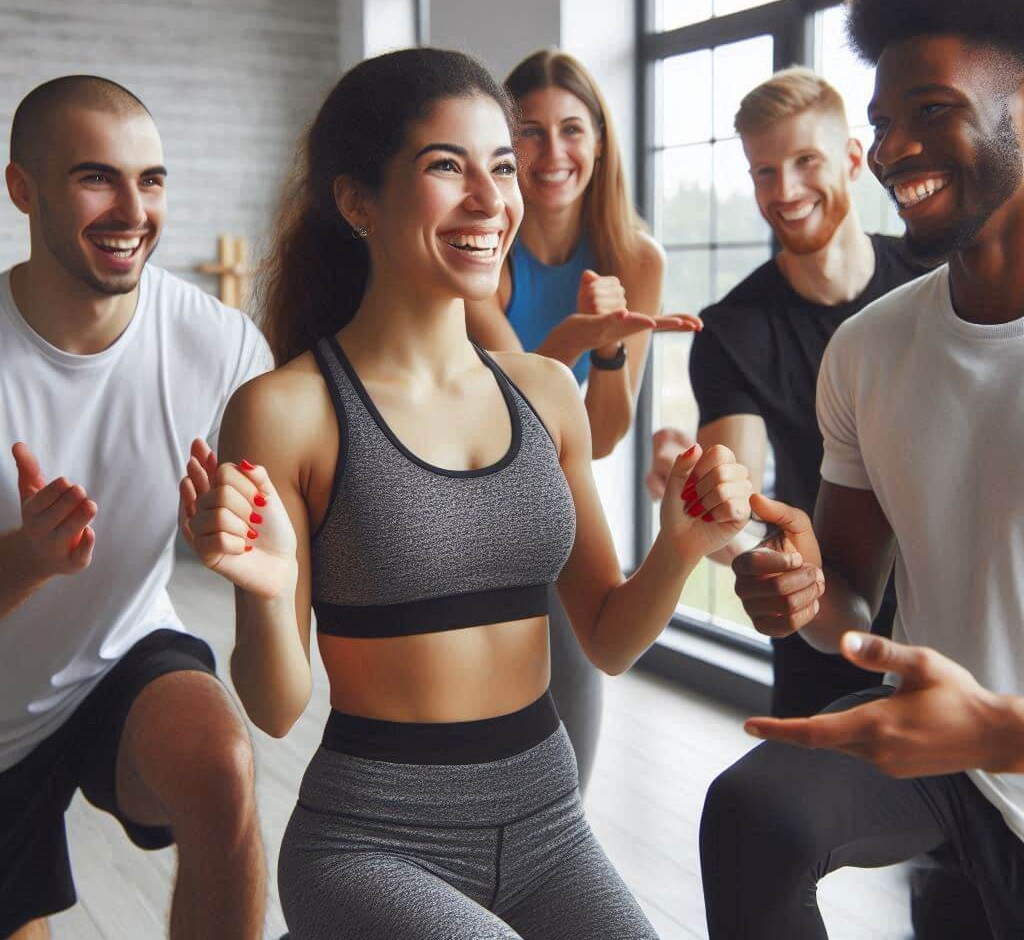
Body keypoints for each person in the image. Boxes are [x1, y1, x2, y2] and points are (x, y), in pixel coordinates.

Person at [180, 47, 752, 940]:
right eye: (447, 167)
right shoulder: (286, 411)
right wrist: (259, 592)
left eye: (502, 168)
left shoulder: (545, 393)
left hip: (548, 823)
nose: (492, 201)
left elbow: (604, 637)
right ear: (357, 199)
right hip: (371, 842)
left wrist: (677, 547)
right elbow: (278, 704)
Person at [699, 0, 1024, 938]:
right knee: (754, 813)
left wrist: (1000, 729)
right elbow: (843, 591)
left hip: (995, 741)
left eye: (932, 112)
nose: (892, 150)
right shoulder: (872, 346)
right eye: (883, 121)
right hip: (948, 769)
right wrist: (798, 589)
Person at [0, 76, 272, 940]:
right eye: (96, 178)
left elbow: (293, 516)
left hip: (112, 655)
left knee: (221, 768)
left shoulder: (218, 343)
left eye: (150, 180)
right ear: (21, 190)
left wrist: (239, 533)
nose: (132, 209)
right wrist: (25, 561)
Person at [646, 67, 924, 719]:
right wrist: (700, 501)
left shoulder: (932, 279)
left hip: (955, 620)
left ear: (854, 160)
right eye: (765, 172)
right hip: (820, 621)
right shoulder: (733, 330)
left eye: (806, 161)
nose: (787, 190)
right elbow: (739, 518)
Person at [466, 48, 701, 793]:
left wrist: (604, 358)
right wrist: (581, 336)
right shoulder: (482, 251)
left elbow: (598, 436)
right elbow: (520, 406)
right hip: (468, 483)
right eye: (528, 133)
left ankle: (559, 844)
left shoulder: (636, 255)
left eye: (572, 129)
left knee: (575, 689)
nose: (553, 152)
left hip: (555, 489)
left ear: (599, 140)